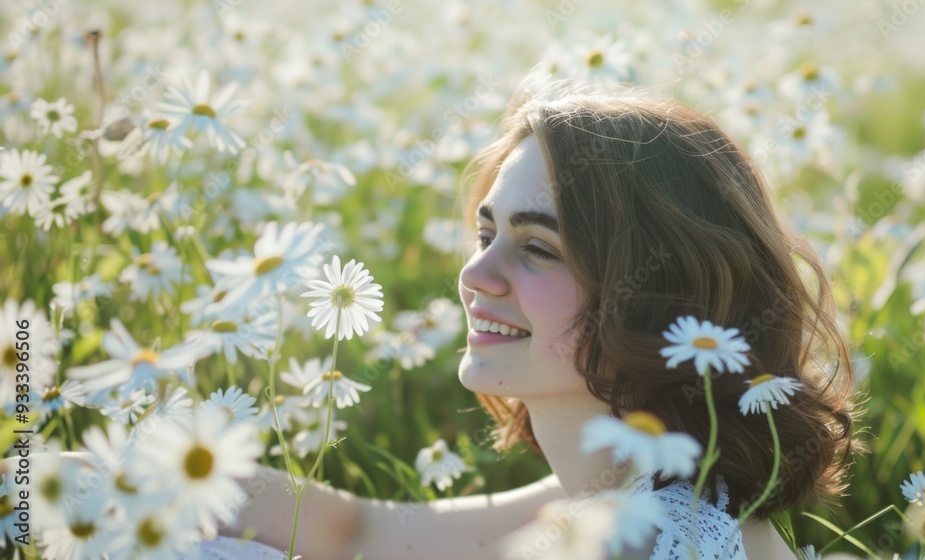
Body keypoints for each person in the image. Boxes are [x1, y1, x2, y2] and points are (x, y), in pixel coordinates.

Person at [11, 78, 861, 560]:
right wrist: (110, 476)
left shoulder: (659, 537)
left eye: (538, 248)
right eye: (488, 233)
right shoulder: (615, 497)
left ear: (656, 292)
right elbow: (357, 530)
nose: (475, 275)